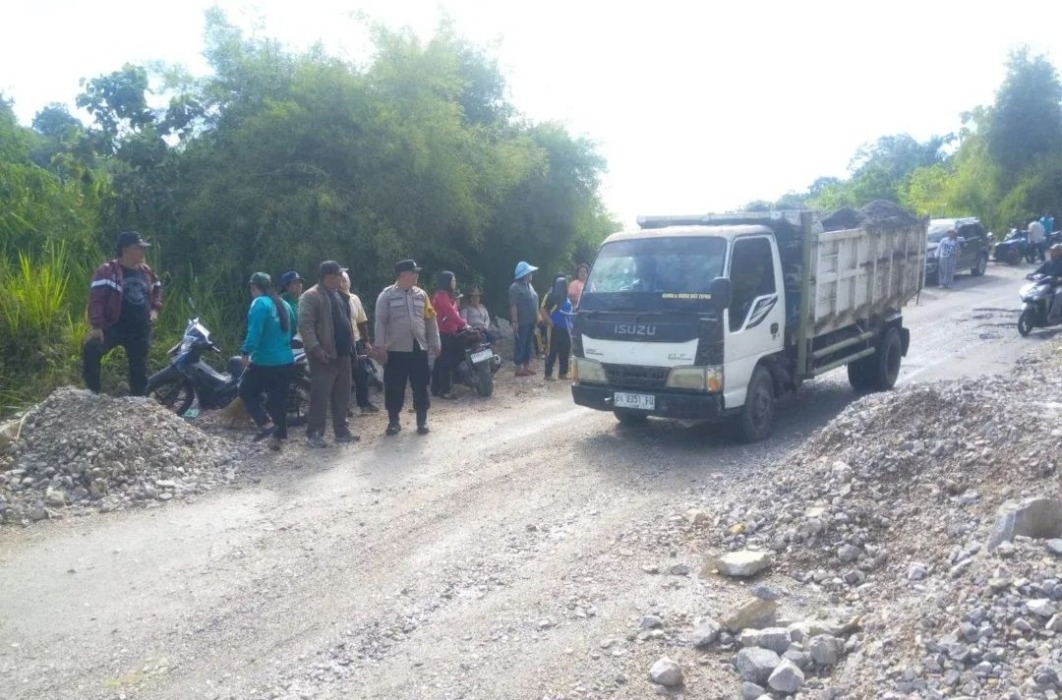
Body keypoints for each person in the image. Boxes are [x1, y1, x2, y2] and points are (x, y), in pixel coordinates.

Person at [83, 231, 162, 396]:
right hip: (113, 326)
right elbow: (96, 298)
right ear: (125, 250)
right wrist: (96, 326)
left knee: (139, 367)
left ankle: (138, 400)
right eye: (138, 248)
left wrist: (155, 309)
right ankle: (92, 392)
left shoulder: (146, 271)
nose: (142, 251)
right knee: (92, 348)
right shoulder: (107, 271)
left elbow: (157, 288)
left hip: (139, 328)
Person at [374, 260, 441, 436]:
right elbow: (379, 321)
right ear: (403, 275)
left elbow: (430, 320)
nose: (416, 276)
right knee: (394, 387)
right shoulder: (387, 295)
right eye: (413, 273)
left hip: (418, 347)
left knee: (421, 385)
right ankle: (394, 421)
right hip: (395, 349)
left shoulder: (422, 295)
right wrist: (380, 346)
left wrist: (435, 342)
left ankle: (422, 420)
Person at [297, 260, 359, 447]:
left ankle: (342, 431)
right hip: (324, 356)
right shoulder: (310, 296)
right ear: (329, 276)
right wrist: (316, 349)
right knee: (320, 396)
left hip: (343, 353)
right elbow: (305, 326)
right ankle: (314, 434)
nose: (341, 278)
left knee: (342, 395)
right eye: (339, 275)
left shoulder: (340, 295)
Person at [238, 273, 296, 451]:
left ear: (254, 287)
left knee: (245, 390)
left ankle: (265, 424)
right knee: (278, 399)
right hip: (286, 360)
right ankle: (277, 439)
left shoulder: (259, 303)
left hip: (265, 361)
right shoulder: (284, 304)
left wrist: (245, 352)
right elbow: (293, 328)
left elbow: (254, 332)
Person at [339, 270, 379, 414]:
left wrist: (367, 341)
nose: (342, 283)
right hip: (341, 343)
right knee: (344, 377)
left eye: (344, 280)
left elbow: (362, 321)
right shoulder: (332, 299)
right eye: (340, 280)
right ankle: (344, 407)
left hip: (356, 341)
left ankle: (364, 403)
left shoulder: (354, 299)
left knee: (362, 373)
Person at [431, 271, 468, 400]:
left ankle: (436, 388)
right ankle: (445, 390)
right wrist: (463, 324)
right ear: (447, 282)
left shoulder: (447, 296)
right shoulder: (441, 296)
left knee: (440, 361)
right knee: (446, 361)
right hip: (443, 332)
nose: (454, 282)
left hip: (448, 331)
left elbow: (453, 313)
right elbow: (451, 313)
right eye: (453, 280)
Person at [509, 261, 539, 377]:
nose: (531, 274)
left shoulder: (529, 286)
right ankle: (519, 367)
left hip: (531, 320)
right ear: (524, 274)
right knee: (520, 343)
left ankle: (526, 366)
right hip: (521, 321)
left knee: (528, 344)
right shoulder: (514, 288)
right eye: (529, 272)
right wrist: (515, 321)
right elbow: (513, 306)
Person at [541, 275, 573, 380]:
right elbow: (543, 310)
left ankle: (563, 373)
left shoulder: (566, 297)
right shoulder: (552, 296)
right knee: (552, 351)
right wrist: (551, 323)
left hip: (565, 328)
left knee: (565, 350)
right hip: (554, 328)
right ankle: (548, 374)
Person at [1031, 244, 1062, 323]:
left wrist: (1059, 279)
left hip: (1058, 285)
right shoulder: (1047, 263)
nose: (1052, 253)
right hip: (1046, 283)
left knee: (1059, 294)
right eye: (1051, 251)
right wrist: (1031, 275)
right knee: (1034, 292)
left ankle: (1055, 314)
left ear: (1059, 252)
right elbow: (1038, 271)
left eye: (1054, 251)